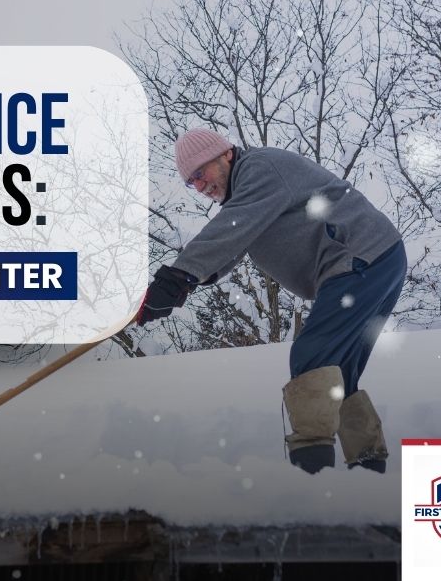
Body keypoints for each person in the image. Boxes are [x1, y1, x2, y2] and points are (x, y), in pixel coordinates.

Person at [136, 128, 407, 474]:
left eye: (200, 174)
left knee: (311, 355)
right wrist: (174, 292)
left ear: (225, 155)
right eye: (192, 184)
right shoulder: (250, 196)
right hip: (377, 260)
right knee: (341, 374)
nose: (201, 188)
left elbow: (230, 227)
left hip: (360, 257)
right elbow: (230, 245)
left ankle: (312, 466)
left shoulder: (260, 169)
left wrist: (177, 276)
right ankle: (369, 464)